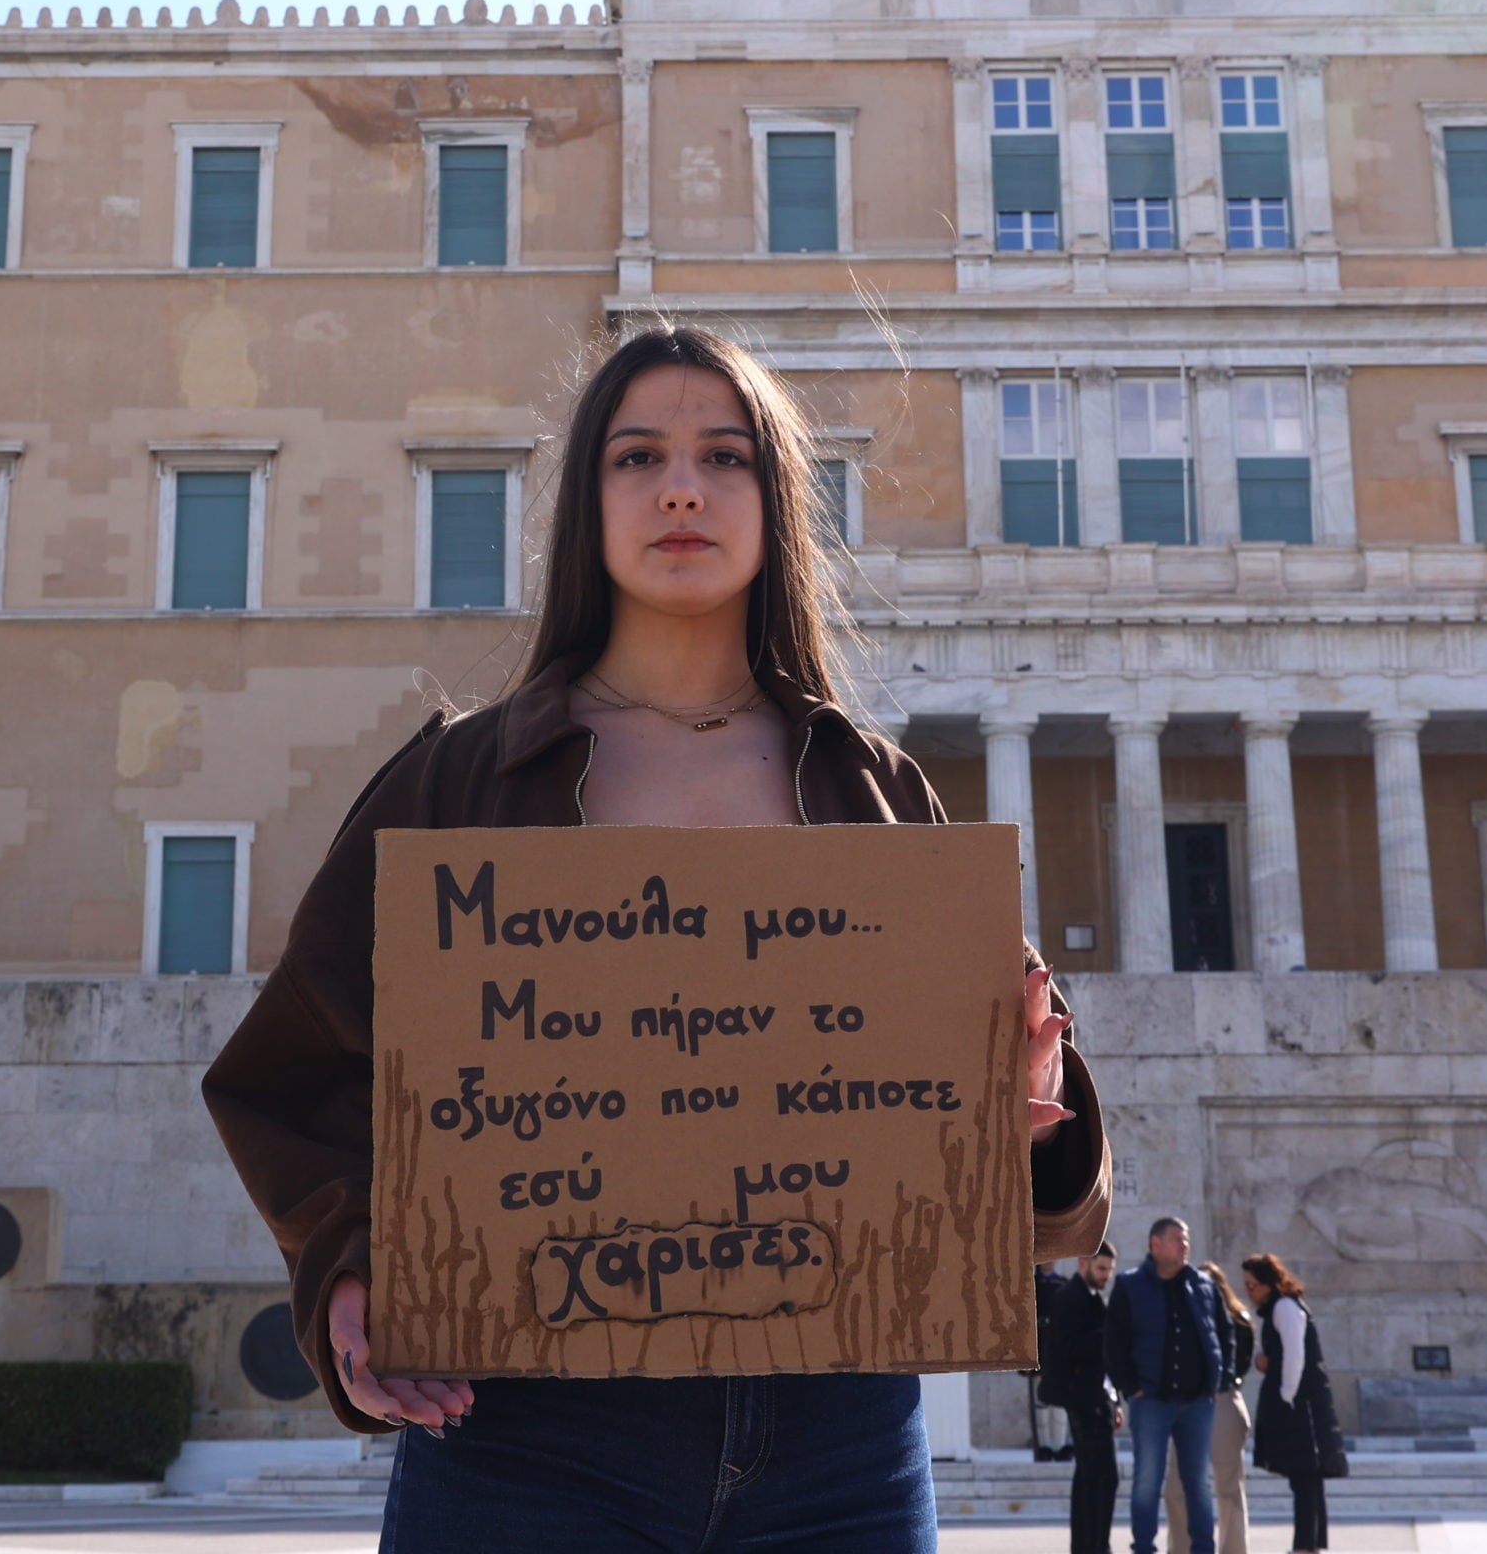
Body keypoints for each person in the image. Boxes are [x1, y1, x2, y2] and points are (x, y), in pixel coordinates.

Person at [203, 323, 1115, 1553]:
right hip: (524, 1433)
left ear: (774, 500)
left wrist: (1024, 1117)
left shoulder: (875, 787)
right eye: (637, 457)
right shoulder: (461, 777)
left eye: (723, 457)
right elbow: (293, 1072)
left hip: (840, 1443)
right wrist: (349, 1271)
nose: (681, 486)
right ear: (587, 503)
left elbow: (1048, 1212)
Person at [1104, 1217, 1233, 1554]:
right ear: (1155, 1245)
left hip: (1198, 1404)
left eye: (1187, 1239)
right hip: (1151, 1402)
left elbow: (1225, 1333)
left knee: (1197, 1483)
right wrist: (1131, 1387)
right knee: (1147, 1481)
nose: (1185, 1245)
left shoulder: (1205, 1285)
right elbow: (1114, 1344)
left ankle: (1203, 1548)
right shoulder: (1130, 1286)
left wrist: (1221, 1380)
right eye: (1177, 1239)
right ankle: (1144, 1547)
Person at [1243, 1254, 1346, 1554]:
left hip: (1300, 1404)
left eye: (1254, 1285)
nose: (1250, 1291)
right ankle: (1312, 1544)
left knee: (1305, 1477)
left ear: (1269, 1283)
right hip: (1298, 1401)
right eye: (1247, 1285)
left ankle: (1305, 1546)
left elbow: (1295, 1356)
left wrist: (1287, 1394)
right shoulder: (1279, 1308)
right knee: (1306, 1478)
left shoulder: (1286, 1308)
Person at [1163, 1263, 1255, 1554]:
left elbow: (1238, 1365)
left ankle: (1234, 1549)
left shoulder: (1238, 1320)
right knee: (1176, 1487)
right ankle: (1181, 1548)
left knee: (1228, 1486)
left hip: (1224, 1400)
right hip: (1189, 1404)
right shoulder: (1184, 1319)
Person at [1047, 1242, 1122, 1554]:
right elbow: (1071, 1347)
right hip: (1082, 1400)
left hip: (1096, 1399)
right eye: (1101, 1268)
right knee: (1098, 1478)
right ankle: (1092, 1546)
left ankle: (1091, 1545)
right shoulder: (1069, 1298)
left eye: (1109, 1270)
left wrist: (1114, 1400)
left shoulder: (1092, 1299)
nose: (1106, 1276)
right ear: (1083, 1264)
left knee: (1097, 1478)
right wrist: (1114, 1333)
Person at [1031, 1263, 1073, 1462]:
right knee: (1041, 1401)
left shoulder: (1064, 1284)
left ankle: (1060, 1444)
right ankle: (1044, 1445)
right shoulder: (1032, 1283)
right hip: (1039, 1347)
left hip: (1058, 1349)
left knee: (1060, 1401)